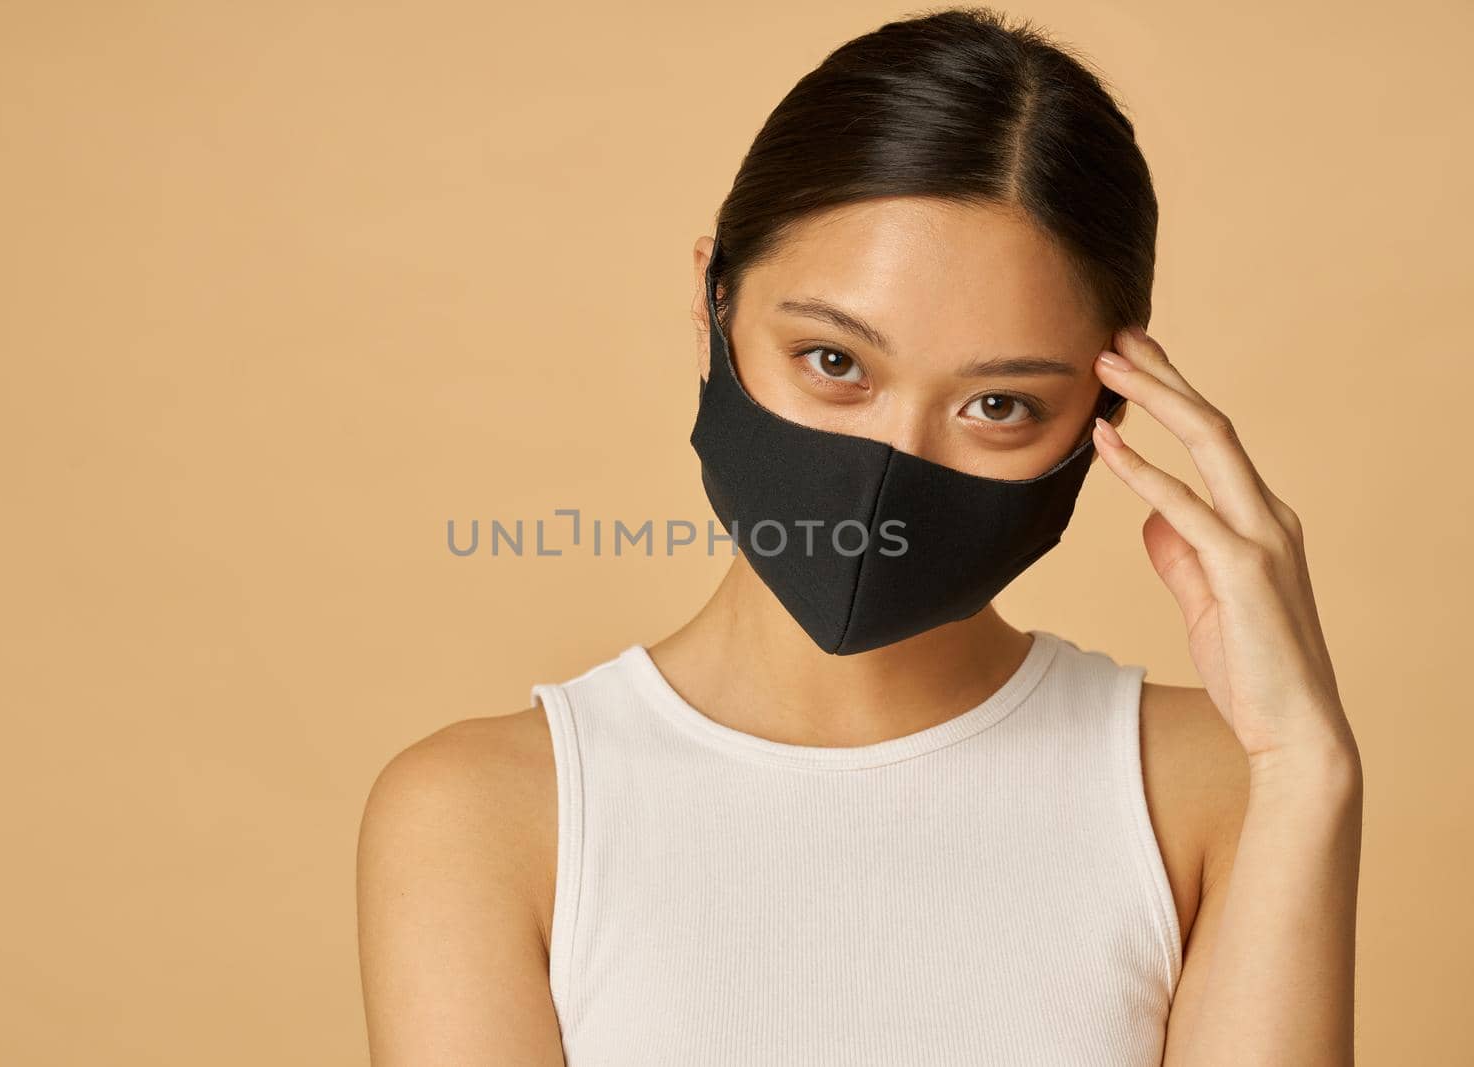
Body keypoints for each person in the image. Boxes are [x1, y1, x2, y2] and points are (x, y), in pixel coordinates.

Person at [357, 8, 1362, 1065]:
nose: (891, 468)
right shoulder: (485, 814)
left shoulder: (1210, 788)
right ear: (712, 306)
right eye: (835, 362)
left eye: (999, 405)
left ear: (1102, 418)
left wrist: (1305, 767)